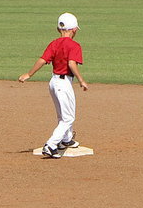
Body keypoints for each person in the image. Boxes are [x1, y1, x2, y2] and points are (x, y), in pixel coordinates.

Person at [18, 12, 89, 159]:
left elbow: (43, 60)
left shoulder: (54, 43)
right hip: (64, 84)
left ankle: (66, 140)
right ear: (74, 29)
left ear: (58, 29)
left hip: (53, 83)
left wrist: (29, 74)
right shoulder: (74, 45)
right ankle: (51, 145)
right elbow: (71, 63)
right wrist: (81, 80)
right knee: (68, 118)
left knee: (62, 115)